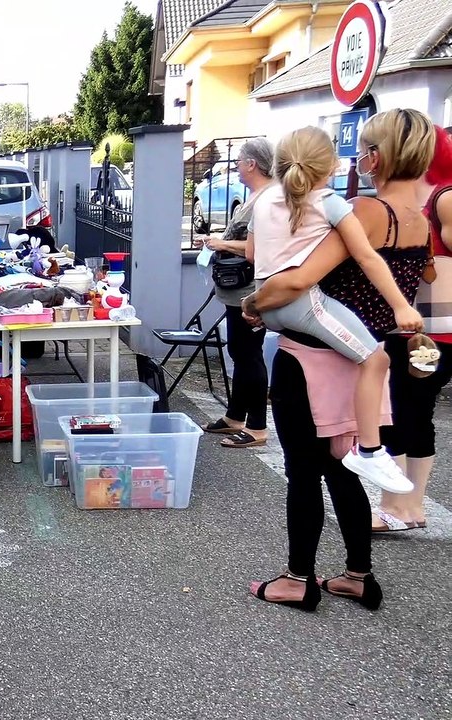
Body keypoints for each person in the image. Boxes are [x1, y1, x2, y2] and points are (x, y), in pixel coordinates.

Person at [244, 109, 437, 611]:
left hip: (312, 359)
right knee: (343, 469)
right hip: (362, 361)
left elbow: (297, 279)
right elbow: (426, 278)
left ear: (379, 157)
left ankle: (297, 579)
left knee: (304, 473)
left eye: (365, 149)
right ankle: (357, 574)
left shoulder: (366, 212)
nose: (359, 158)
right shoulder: (418, 220)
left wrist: (255, 303)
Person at [244, 126, 422, 493]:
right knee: (376, 360)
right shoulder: (329, 202)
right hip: (303, 304)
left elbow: (256, 254)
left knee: (301, 477)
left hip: (269, 302)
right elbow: (368, 258)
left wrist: (255, 302)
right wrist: (401, 306)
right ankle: (369, 450)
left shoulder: (264, 199)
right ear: (331, 167)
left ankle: (367, 451)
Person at [374, 122, 452, 532]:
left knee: (404, 412)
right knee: (412, 412)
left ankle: (401, 507)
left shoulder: (444, 197)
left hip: (429, 328)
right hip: (428, 326)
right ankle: (407, 505)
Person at [203, 138, 275, 449]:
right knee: (239, 353)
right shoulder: (257, 197)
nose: (236, 166)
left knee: (248, 356)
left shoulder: (267, 200)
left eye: (239, 161)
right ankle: (235, 416)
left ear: (252, 164)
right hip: (238, 292)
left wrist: (221, 243)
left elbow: (255, 251)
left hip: (250, 290)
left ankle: (257, 426)